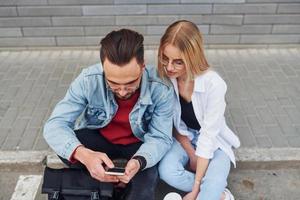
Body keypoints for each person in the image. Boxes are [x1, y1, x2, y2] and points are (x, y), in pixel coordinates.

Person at [43, 29, 174, 200]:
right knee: (69, 146)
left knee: (143, 192)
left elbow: (160, 137)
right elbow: (54, 125)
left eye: (130, 83)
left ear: (142, 67)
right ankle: (100, 177)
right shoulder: (88, 79)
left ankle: (112, 181)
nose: (121, 91)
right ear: (104, 67)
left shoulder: (161, 87)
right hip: (100, 142)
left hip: (139, 147)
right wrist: (84, 155)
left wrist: (140, 161)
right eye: (113, 83)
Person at [157, 20, 240, 200]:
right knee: (167, 171)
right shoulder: (165, 79)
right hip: (184, 138)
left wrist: (195, 188)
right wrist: (191, 154)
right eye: (165, 58)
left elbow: (209, 136)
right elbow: (171, 124)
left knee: (206, 192)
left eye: (178, 62)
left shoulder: (214, 84)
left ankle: (212, 191)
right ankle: (218, 193)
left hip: (215, 143)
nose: (169, 67)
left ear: (192, 57)